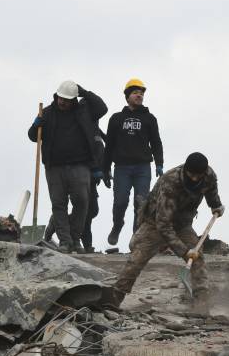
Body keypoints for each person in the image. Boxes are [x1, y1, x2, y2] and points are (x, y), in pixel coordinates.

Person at [112, 152, 224, 305]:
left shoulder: (208, 175)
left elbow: (211, 191)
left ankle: (202, 302)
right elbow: (163, 225)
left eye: (198, 176)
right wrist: (184, 251)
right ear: (185, 170)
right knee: (137, 258)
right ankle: (115, 298)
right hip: (155, 223)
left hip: (183, 224)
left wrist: (215, 205)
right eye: (191, 175)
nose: (195, 179)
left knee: (197, 258)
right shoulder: (170, 182)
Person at [27, 81, 107, 253]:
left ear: (74, 100)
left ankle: (75, 238)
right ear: (57, 96)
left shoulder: (83, 111)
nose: (63, 102)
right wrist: (36, 125)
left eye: (67, 100)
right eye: (61, 98)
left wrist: (84, 91)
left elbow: (102, 108)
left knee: (82, 201)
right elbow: (33, 136)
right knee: (58, 204)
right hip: (54, 167)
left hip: (80, 165)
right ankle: (65, 242)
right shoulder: (47, 113)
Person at [103, 78, 164, 246]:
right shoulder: (116, 119)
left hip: (142, 167)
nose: (139, 95)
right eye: (136, 93)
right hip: (122, 167)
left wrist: (159, 163)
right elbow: (109, 146)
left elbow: (156, 142)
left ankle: (135, 239)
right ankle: (117, 225)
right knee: (120, 201)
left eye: (142, 93)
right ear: (127, 96)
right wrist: (105, 169)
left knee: (141, 203)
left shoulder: (150, 119)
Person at [45, 126, 106, 252]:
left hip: (94, 174)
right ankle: (84, 243)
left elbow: (103, 151)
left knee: (92, 210)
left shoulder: (96, 131)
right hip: (81, 169)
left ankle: (56, 223)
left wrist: (105, 169)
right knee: (86, 209)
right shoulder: (81, 126)